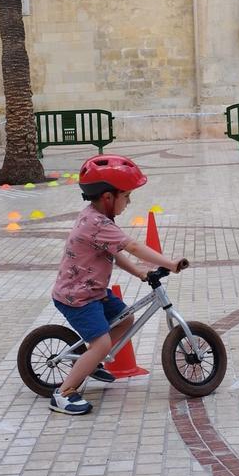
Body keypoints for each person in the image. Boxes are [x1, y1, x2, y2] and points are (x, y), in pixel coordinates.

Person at [49, 154, 188, 415]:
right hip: (77, 297)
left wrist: (139, 273)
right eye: (126, 195)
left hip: (92, 291)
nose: (129, 201)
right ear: (108, 197)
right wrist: (169, 263)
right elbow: (132, 246)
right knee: (101, 343)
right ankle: (63, 393)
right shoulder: (97, 222)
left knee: (124, 319)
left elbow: (112, 252)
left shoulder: (98, 217)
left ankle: (91, 362)